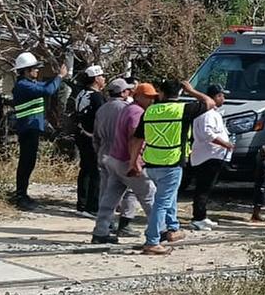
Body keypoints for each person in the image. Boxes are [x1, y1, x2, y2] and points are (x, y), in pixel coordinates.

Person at [128, 79, 214, 255]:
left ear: (161, 93)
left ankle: (172, 228)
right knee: (162, 202)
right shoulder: (183, 110)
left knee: (169, 196)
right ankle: (152, 240)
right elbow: (209, 102)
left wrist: (133, 162)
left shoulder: (150, 111)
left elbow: (137, 139)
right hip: (172, 162)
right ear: (180, 93)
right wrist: (191, 90)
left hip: (151, 162)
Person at [91, 79, 156, 244]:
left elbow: (96, 136)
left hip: (109, 155)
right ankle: (158, 231)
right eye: (149, 97)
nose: (152, 100)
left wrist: (99, 152)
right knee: (147, 194)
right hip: (127, 158)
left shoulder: (104, 108)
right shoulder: (134, 111)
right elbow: (135, 137)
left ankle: (101, 231)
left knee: (108, 196)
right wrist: (135, 162)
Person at [11, 52, 66, 210]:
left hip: (31, 128)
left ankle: (23, 193)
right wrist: (60, 77)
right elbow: (47, 90)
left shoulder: (29, 84)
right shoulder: (23, 85)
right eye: (34, 69)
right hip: (27, 128)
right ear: (26, 70)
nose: (37, 71)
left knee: (29, 163)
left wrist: (58, 79)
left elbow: (46, 87)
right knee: (26, 163)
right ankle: (21, 195)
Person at [189, 84, 234, 231]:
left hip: (213, 155)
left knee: (206, 188)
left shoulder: (214, 113)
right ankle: (198, 218)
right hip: (208, 156)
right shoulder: (207, 113)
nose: (223, 98)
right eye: (221, 96)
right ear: (213, 97)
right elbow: (208, 134)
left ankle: (202, 216)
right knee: (203, 188)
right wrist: (225, 144)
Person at [73, 65, 106, 218]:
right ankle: (92, 206)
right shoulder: (97, 97)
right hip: (92, 136)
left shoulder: (81, 93)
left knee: (85, 168)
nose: (104, 79)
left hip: (80, 134)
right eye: (102, 76)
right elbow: (102, 117)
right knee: (95, 171)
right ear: (96, 79)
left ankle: (81, 204)